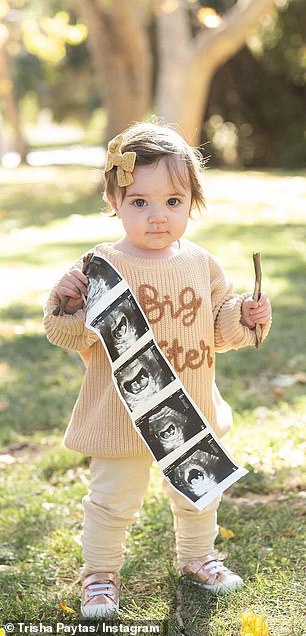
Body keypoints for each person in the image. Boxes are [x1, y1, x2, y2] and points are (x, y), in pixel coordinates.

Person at [43, 122, 272, 617]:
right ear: (113, 198)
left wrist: (244, 317)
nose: (157, 217)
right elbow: (70, 334)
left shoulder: (200, 263)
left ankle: (198, 557)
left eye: (173, 201)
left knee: (197, 493)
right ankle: (101, 575)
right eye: (139, 202)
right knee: (111, 501)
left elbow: (217, 328)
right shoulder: (102, 264)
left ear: (192, 200)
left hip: (188, 410)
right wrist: (66, 304)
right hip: (122, 414)